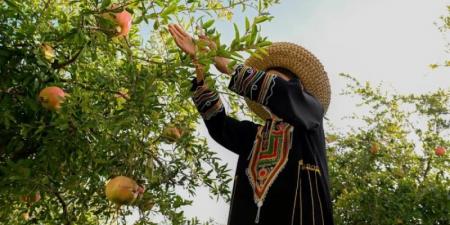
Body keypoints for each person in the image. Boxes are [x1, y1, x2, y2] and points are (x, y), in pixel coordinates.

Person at [168, 24, 334, 225]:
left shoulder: (311, 119)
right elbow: (217, 123)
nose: (268, 83)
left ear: (298, 89)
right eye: (265, 78)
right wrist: (199, 62)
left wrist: (226, 64)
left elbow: (285, 94)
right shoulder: (252, 136)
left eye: (275, 79)